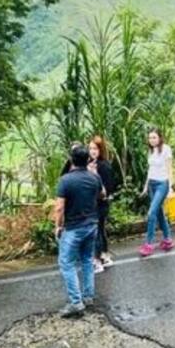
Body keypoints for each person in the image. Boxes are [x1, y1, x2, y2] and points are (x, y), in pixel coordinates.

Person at [53, 144, 101, 317]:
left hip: (73, 228)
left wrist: (58, 226)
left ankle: (76, 302)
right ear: (87, 159)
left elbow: (59, 207)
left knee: (66, 263)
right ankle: (88, 297)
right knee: (87, 260)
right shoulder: (94, 177)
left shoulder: (65, 180)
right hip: (92, 225)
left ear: (71, 160)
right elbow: (101, 193)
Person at [139, 128, 175, 257]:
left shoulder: (166, 149)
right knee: (159, 213)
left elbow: (170, 169)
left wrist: (170, 188)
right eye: (150, 138)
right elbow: (150, 169)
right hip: (152, 184)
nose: (152, 140)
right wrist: (145, 186)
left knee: (151, 212)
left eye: (154, 137)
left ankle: (149, 244)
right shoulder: (150, 151)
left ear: (159, 137)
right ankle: (167, 239)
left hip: (162, 184)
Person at [87, 135, 117, 272]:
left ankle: (97, 260)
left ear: (101, 150)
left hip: (100, 203)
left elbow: (109, 187)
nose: (92, 151)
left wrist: (94, 174)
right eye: (90, 148)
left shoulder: (103, 166)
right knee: (100, 230)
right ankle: (105, 255)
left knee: (97, 231)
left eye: (95, 148)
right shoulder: (89, 164)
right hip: (95, 203)